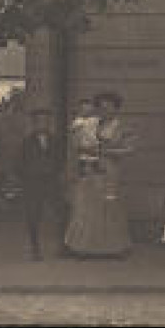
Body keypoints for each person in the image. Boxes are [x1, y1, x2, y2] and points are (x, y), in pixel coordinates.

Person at [63, 91, 133, 258]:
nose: (105, 111)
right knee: (88, 208)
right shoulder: (91, 124)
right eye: (101, 108)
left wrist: (108, 151)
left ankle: (114, 248)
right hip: (91, 169)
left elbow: (129, 149)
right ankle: (85, 248)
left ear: (116, 109)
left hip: (111, 170)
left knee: (110, 208)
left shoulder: (122, 127)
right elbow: (79, 144)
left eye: (109, 107)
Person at [19, 107, 62, 261]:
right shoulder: (26, 142)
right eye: (39, 121)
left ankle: (62, 247)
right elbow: (20, 164)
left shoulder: (55, 140)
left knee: (60, 213)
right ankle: (35, 248)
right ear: (34, 123)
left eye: (45, 121)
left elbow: (60, 160)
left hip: (51, 182)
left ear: (49, 123)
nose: (42, 124)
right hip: (33, 183)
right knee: (34, 215)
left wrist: (56, 174)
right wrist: (27, 179)